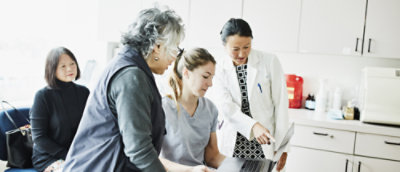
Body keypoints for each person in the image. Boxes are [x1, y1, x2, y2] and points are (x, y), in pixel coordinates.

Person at [63, 7, 209, 172]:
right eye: (175, 48)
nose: (175, 56)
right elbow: (139, 151)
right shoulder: (131, 76)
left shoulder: (129, 66)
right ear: (157, 46)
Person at [209, 18, 289, 171]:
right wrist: (253, 126)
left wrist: (283, 146)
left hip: (265, 142)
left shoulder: (269, 61)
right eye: (235, 49)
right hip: (233, 142)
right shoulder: (219, 68)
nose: (241, 53)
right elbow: (226, 107)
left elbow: (281, 106)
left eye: (247, 46)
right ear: (224, 46)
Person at [160, 48, 226, 170]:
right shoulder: (162, 108)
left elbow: (213, 157)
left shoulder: (210, 109)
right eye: (205, 76)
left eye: (212, 77)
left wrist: (242, 165)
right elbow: (151, 158)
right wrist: (190, 170)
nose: (210, 83)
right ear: (186, 73)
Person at [30, 47, 90, 172]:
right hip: (49, 157)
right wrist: (68, 155)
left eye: (72, 64)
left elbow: (89, 127)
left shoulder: (84, 92)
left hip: (78, 153)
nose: (69, 69)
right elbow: (39, 138)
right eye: (63, 66)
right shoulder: (43, 96)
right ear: (52, 69)